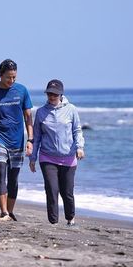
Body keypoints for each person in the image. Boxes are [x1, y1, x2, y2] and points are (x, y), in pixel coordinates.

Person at [0, 59, 34, 222]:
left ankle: (10, 212)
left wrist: (30, 139)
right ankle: (3, 212)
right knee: (0, 171)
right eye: (8, 77)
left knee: (14, 177)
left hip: (17, 140)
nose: (11, 81)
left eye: (14, 78)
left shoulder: (22, 91)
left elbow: (28, 117)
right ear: (0, 75)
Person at [29, 79, 85, 226]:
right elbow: (37, 136)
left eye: (55, 94)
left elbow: (77, 130)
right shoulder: (41, 112)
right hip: (47, 157)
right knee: (52, 189)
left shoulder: (71, 109)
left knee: (67, 192)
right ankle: (53, 222)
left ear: (61, 94)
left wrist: (79, 147)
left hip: (68, 157)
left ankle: (70, 218)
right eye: (49, 94)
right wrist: (33, 158)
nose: (51, 97)